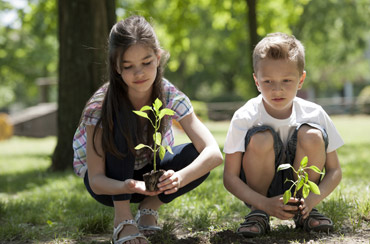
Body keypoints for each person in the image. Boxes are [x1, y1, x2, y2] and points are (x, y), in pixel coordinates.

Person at [72, 15, 223, 244]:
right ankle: (123, 220)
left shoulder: (168, 93)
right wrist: (126, 186)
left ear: (158, 57)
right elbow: (96, 180)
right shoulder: (100, 106)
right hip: (112, 184)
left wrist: (179, 178)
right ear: (116, 67)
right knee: (123, 121)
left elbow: (214, 153)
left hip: (151, 178)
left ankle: (149, 209)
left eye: (146, 62)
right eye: (128, 66)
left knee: (195, 155)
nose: (139, 73)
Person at [223, 32, 343, 237]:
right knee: (261, 138)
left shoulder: (315, 113)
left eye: (286, 80)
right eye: (268, 81)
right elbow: (230, 177)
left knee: (312, 135)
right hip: (260, 192)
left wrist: (312, 199)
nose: (277, 89)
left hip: (303, 189)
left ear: (301, 79)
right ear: (256, 81)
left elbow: (334, 171)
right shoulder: (245, 116)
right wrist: (263, 203)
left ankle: (304, 212)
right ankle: (258, 213)